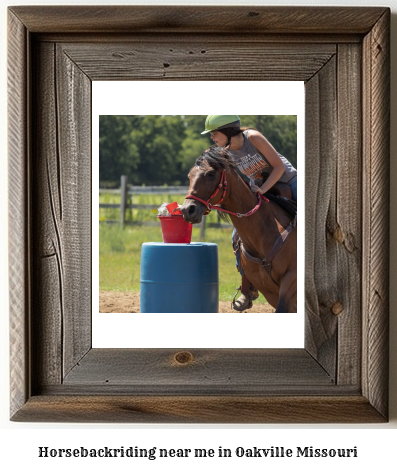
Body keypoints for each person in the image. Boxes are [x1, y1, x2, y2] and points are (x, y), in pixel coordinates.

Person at [201, 115, 297, 311]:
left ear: (228, 131)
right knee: (238, 236)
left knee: (312, 217)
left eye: (214, 133)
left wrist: (262, 189)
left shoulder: (253, 137)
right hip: (261, 188)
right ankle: (247, 290)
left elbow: (278, 167)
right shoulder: (225, 153)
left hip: (289, 182)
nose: (212, 137)